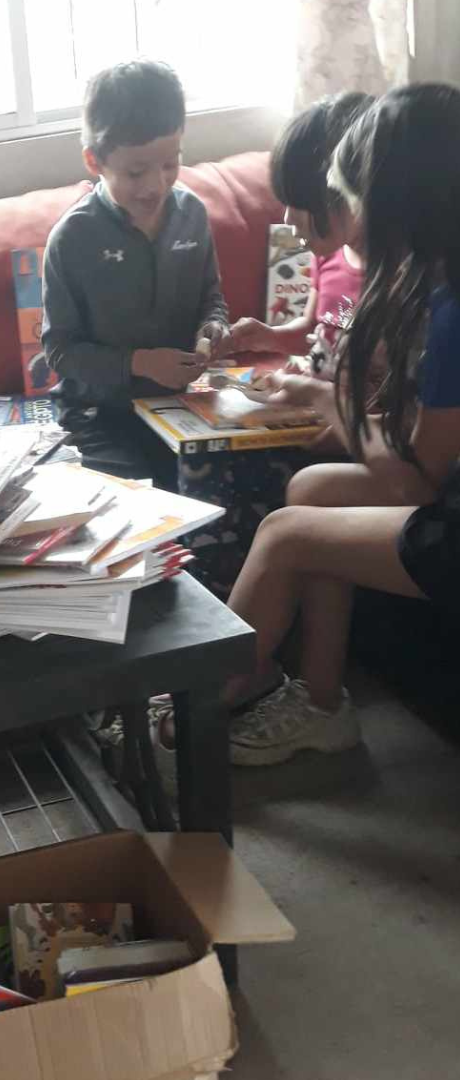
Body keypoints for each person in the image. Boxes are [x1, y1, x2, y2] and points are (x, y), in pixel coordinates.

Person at [222, 83, 460, 767]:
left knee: (286, 532)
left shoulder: (449, 312)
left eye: (351, 198)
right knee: (313, 491)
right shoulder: (435, 284)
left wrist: (330, 405)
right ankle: (322, 704)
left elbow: (421, 484)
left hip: (450, 524)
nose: (346, 219)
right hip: (444, 492)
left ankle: (197, 700)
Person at [41, 59, 230, 486]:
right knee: (132, 502)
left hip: (179, 406)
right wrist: (140, 363)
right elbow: (59, 351)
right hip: (98, 414)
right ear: (95, 161)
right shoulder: (73, 237)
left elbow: (211, 297)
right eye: (135, 171)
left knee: (231, 487)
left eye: (170, 164)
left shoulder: (192, 215)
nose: (156, 185)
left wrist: (213, 328)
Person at [227, 92, 373, 378]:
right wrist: (268, 336)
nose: (287, 219)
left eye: (301, 205)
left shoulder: (400, 279)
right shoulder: (329, 256)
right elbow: (311, 329)